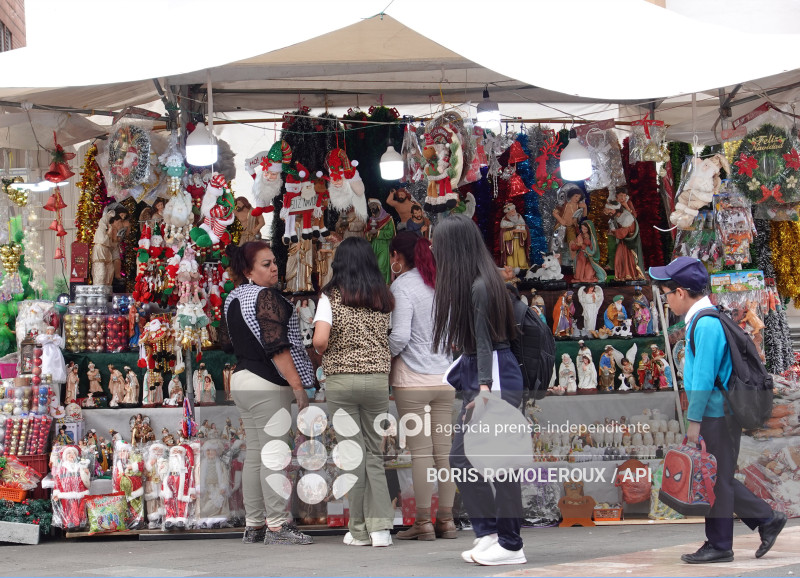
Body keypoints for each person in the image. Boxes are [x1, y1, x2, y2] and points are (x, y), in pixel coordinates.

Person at [648, 256, 786, 564]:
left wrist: (693, 422)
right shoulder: (705, 320)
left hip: (715, 414)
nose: (667, 301)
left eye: (667, 293)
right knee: (716, 477)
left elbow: (704, 379)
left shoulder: (706, 324)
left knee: (714, 478)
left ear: (681, 292)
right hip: (717, 413)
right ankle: (764, 521)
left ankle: (723, 542)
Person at [431, 214, 526, 566]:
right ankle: (489, 533)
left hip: (493, 376)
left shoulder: (481, 286)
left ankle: (511, 544)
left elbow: (486, 343)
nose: (431, 248)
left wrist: (484, 389)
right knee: (462, 457)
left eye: (436, 243)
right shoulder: (476, 282)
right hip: (484, 374)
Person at [222, 240, 314, 546]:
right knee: (273, 456)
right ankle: (276, 526)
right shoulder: (265, 297)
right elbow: (277, 347)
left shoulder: (234, 297)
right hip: (267, 382)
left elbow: (228, 341)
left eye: (274, 262)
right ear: (248, 270)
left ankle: (255, 526)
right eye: (266, 264)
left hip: (242, 380)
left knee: (256, 457)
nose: (274, 268)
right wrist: (298, 387)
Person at [312, 237, 395, 547]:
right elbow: (391, 335)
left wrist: (329, 349)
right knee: (374, 454)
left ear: (339, 264)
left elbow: (320, 340)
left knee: (352, 455)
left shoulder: (330, 296)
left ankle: (358, 530)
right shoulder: (383, 296)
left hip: (342, 380)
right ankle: (381, 530)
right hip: (376, 380)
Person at [387, 231, 456, 541]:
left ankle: (424, 523)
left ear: (398, 257)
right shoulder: (442, 283)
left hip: (411, 380)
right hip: (445, 378)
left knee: (421, 455)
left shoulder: (402, 286)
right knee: (444, 454)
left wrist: (381, 353)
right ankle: (447, 521)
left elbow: (400, 336)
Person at [91, 203, 131, 286]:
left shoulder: (115, 232)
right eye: (120, 220)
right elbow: (103, 222)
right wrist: (110, 215)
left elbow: (115, 249)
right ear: (115, 220)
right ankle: (100, 290)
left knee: (110, 272)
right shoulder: (105, 225)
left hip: (108, 253)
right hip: (101, 251)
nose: (122, 220)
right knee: (101, 273)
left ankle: (107, 291)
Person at [499, 203, 530, 273]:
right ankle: (512, 272)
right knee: (511, 261)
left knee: (522, 259)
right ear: (507, 212)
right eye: (511, 211)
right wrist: (512, 231)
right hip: (510, 245)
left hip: (520, 242)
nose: (513, 212)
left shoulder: (519, 218)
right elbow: (503, 235)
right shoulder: (505, 221)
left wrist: (523, 231)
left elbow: (526, 231)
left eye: (513, 210)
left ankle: (523, 271)